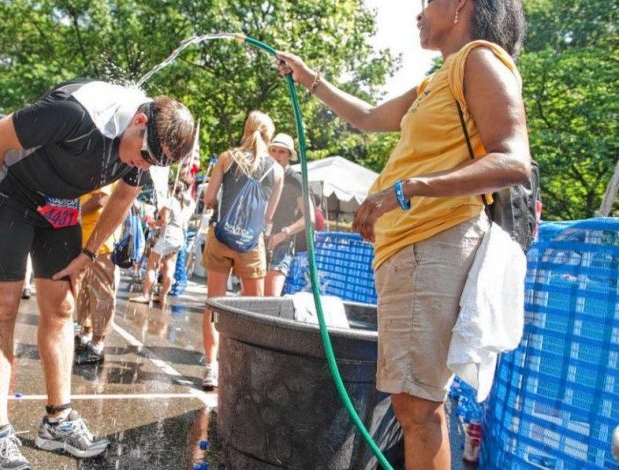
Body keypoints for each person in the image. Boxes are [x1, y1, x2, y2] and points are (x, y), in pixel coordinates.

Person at [278, 1, 530, 468]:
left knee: (417, 408)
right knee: (412, 404)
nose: (417, 14)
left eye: (426, 3)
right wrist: (308, 77)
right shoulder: (438, 78)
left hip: (434, 240)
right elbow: (370, 116)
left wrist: (408, 189)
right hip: (410, 249)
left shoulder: (480, 58)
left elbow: (512, 161)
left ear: (460, 6)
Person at [0, 79, 196, 470]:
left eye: (157, 164)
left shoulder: (145, 149)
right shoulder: (75, 113)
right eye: (147, 154)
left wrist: (87, 252)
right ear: (137, 121)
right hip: (11, 196)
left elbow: (123, 196)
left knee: (63, 309)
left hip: (61, 207)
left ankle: (57, 420)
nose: (146, 165)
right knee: (2, 307)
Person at [200, 110, 284, 390]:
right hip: (251, 244)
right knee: (254, 309)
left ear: (246, 130)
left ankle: (211, 368)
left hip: (220, 237)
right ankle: (246, 371)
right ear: (269, 137)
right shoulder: (277, 170)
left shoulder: (227, 158)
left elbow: (210, 198)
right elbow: (269, 216)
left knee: (214, 302)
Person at [74, 183, 121, 363]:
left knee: (101, 293)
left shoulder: (106, 164)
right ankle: (86, 333)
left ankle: (97, 344)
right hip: (84, 239)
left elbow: (102, 199)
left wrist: (74, 213)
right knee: (84, 292)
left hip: (100, 242)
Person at [263, 133, 314, 297]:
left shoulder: (295, 179)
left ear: (289, 155)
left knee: (270, 298)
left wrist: (284, 232)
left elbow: (309, 217)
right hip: (258, 240)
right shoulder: (264, 175)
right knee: (251, 296)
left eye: (282, 152)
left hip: (282, 244)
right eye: (274, 150)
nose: (276, 155)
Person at [130, 181, 194, 304]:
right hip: (179, 237)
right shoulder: (182, 204)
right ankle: (162, 296)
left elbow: (163, 221)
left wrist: (152, 223)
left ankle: (146, 295)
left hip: (168, 235)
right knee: (169, 267)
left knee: (151, 265)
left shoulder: (169, 201)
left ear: (170, 189)